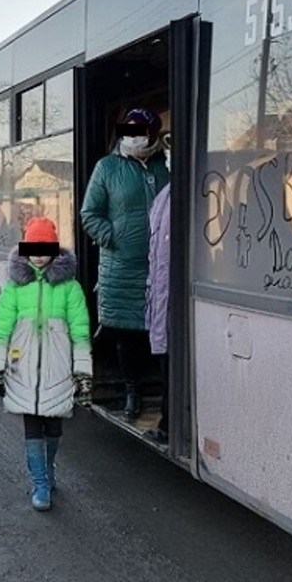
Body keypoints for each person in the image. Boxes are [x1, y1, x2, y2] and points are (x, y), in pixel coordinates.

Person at [0, 218, 92, 511]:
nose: (39, 255)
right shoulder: (15, 288)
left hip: (59, 370)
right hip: (23, 370)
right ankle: (40, 482)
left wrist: (83, 373)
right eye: (33, 248)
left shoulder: (70, 288)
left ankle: (49, 468)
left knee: (54, 427)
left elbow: (80, 332)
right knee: (32, 428)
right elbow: (0, 330)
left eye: (45, 248)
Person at [80, 108, 170, 420]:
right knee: (128, 334)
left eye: (141, 130)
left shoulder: (165, 165)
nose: (134, 136)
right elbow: (89, 214)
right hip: (121, 267)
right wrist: (112, 236)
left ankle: (165, 394)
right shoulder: (107, 167)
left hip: (161, 265)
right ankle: (132, 390)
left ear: (153, 133)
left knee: (158, 328)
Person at [146, 176, 172, 445]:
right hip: (162, 295)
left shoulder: (173, 192)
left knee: (171, 362)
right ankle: (167, 423)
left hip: (171, 296)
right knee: (167, 364)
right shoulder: (165, 194)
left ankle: (168, 423)